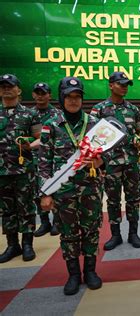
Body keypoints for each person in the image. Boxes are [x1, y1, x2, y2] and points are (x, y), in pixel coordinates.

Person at [39, 77, 103, 295]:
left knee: (91, 230)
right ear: (61, 98)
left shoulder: (94, 124)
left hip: (90, 188)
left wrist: (97, 161)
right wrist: (45, 193)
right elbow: (44, 162)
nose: (74, 101)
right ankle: (73, 274)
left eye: (77, 96)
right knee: (68, 233)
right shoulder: (52, 125)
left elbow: (104, 157)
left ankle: (91, 271)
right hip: (63, 191)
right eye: (69, 96)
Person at [91, 72, 140, 250]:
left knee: (133, 199)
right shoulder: (99, 109)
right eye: (121, 84)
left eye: (126, 84)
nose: (124, 87)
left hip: (131, 162)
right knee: (113, 200)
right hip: (110, 164)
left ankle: (133, 233)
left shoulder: (133, 109)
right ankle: (115, 235)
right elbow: (93, 137)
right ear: (111, 85)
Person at [0, 74, 40, 263]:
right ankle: (12, 244)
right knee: (7, 210)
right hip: (1, 172)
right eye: (3, 86)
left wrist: (30, 145)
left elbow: (40, 138)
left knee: (26, 208)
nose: (7, 89)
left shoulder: (29, 114)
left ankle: (27, 244)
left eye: (10, 86)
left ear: (19, 90)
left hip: (23, 170)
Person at [31, 82, 62, 237]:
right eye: (38, 93)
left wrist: (31, 142)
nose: (41, 96)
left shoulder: (57, 114)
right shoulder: (28, 114)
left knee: (54, 190)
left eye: (44, 93)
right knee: (38, 192)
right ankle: (44, 222)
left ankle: (57, 221)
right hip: (33, 161)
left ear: (50, 95)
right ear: (33, 95)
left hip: (52, 159)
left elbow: (39, 137)